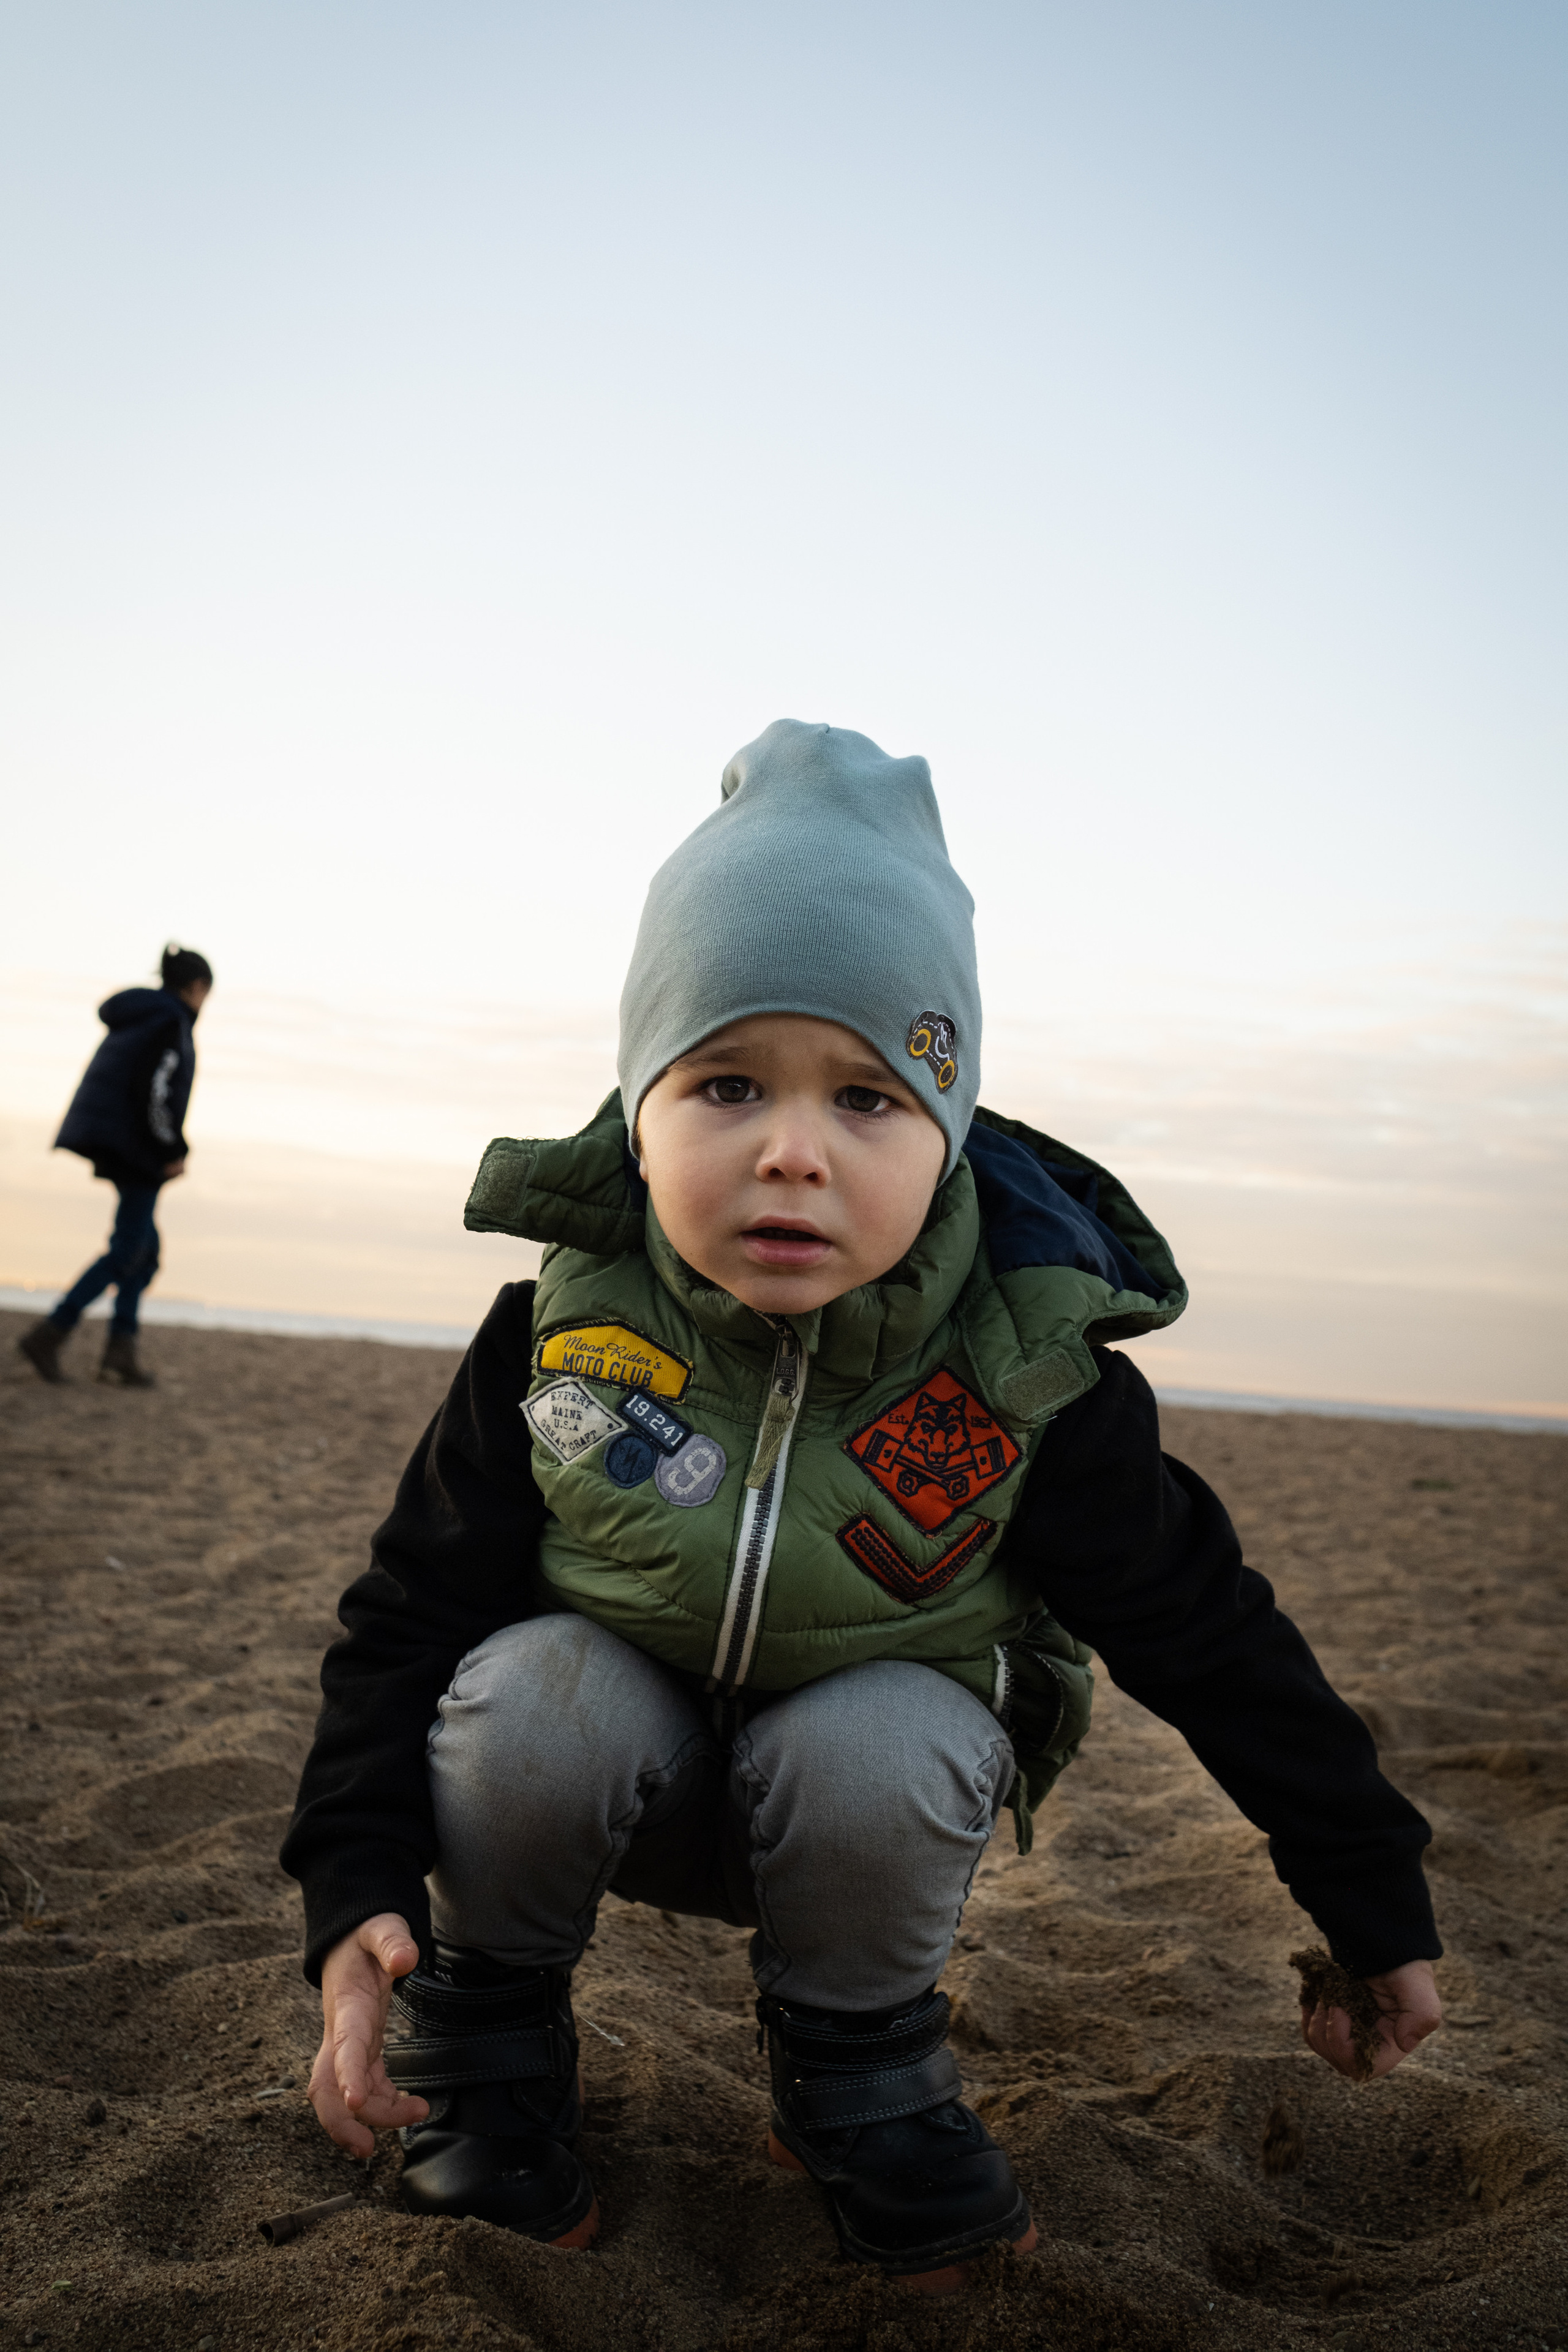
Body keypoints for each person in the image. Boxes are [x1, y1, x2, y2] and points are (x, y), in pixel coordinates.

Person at [281, 722, 1442, 2294]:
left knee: (883, 1738)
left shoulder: (1025, 1370)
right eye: (726, 1081)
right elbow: (403, 1613)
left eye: (869, 1099)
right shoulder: (557, 1334)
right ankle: (485, 2040)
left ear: (949, 1128)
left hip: (861, 1805)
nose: (789, 1150)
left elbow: (1204, 1629)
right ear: (636, 1107)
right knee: (519, 1687)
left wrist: (1363, 1890)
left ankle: (852, 2067)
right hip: (600, 1772)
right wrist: (354, 1893)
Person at [19, 944, 213, 1390]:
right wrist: (172, 1149)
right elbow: (156, 1092)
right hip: (137, 1150)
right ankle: (52, 1333)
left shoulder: (145, 1014)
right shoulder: (169, 1020)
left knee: (143, 1253)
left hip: (124, 1143)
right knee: (130, 1250)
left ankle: (118, 1352)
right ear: (197, 987)